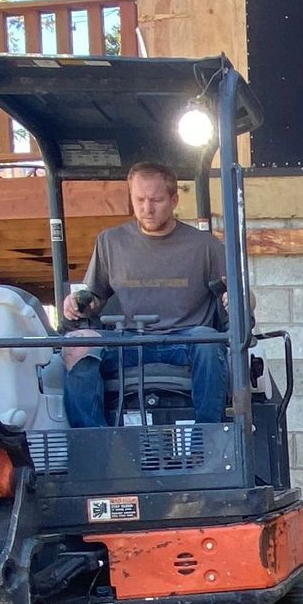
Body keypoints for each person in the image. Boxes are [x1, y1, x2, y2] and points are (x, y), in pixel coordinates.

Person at [62, 161, 229, 427]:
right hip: (129, 341)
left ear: (174, 200)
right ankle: (96, 447)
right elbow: (94, 298)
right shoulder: (110, 242)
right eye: (139, 199)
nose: (147, 208)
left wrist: (236, 299)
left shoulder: (205, 246)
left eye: (156, 200)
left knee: (208, 341)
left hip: (185, 341)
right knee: (77, 345)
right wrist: (77, 304)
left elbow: (237, 296)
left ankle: (207, 438)